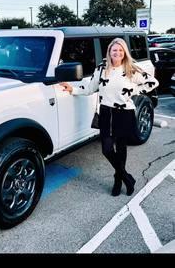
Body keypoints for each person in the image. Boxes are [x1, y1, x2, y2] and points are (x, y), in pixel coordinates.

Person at [59, 37, 159, 197]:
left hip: (124, 113)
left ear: (124, 52)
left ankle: (118, 180)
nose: (117, 53)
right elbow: (90, 88)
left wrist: (133, 91)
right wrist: (72, 89)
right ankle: (126, 177)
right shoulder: (102, 68)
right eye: (114, 50)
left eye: (120, 50)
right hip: (106, 112)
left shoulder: (131, 68)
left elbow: (152, 83)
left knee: (121, 148)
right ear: (110, 52)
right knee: (107, 149)